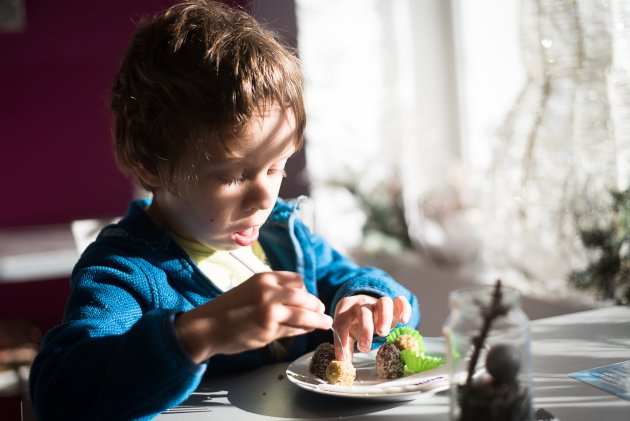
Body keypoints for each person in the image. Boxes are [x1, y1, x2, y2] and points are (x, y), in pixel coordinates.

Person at [29, 1, 420, 419]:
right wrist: (199, 334)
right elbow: (59, 396)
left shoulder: (285, 239)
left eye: (276, 167)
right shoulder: (127, 271)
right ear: (150, 165)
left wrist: (367, 302)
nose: (264, 198)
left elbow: (369, 290)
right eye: (233, 176)